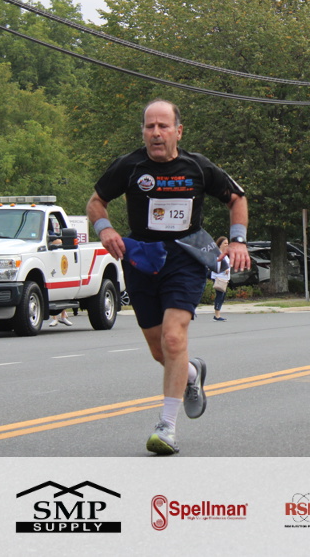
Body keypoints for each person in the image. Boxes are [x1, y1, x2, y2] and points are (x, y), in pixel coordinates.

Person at [86, 99, 250, 455]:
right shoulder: (130, 166)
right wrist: (105, 229)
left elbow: (237, 199)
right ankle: (191, 373)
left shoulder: (198, 166)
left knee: (174, 338)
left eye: (163, 126)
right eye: (150, 127)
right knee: (160, 350)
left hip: (185, 257)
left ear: (179, 131)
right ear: (143, 131)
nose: (156, 133)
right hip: (141, 259)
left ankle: (167, 427)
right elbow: (96, 201)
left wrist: (237, 240)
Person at [210, 236, 231, 322]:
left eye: (227, 243)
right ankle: (217, 315)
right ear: (220, 244)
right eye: (225, 243)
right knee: (220, 295)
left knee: (222, 296)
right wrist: (224, 269)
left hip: (224, 278)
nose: (227, 245)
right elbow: (215, 265)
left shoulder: (225, 254)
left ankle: (218, 314)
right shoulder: (217, 253)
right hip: (218, 278)